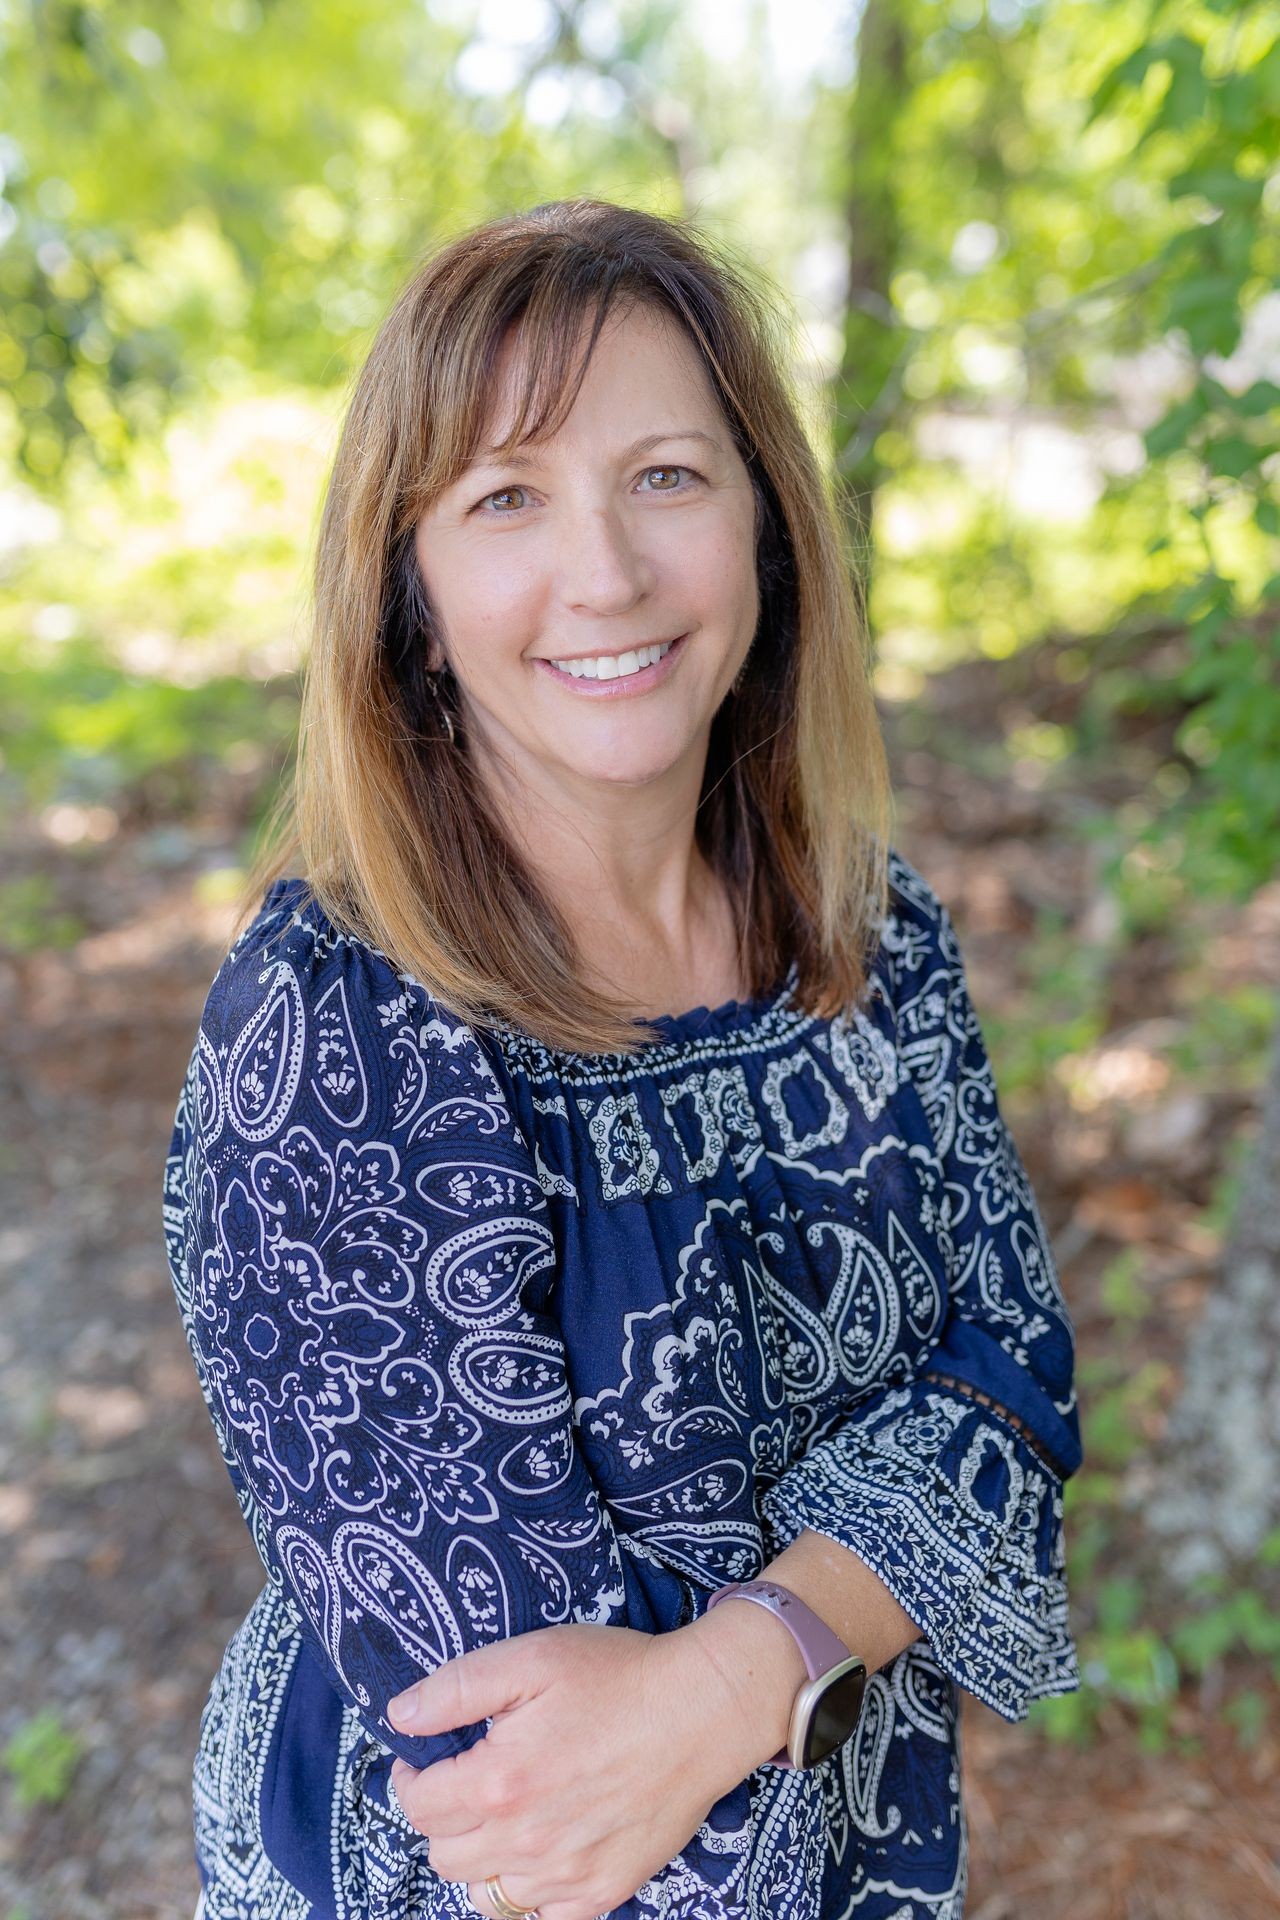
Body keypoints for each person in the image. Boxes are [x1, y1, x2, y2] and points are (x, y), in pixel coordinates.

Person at [162, 197, 1083, 1920]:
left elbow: (1014, 1385)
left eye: (667, 476)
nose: (607, 573)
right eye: (507, 499)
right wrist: (844, 1602)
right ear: (411, 593)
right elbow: (555, 1785)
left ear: (768, 533)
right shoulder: (340, 1031)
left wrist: (742, 1671)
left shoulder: (872, 935)